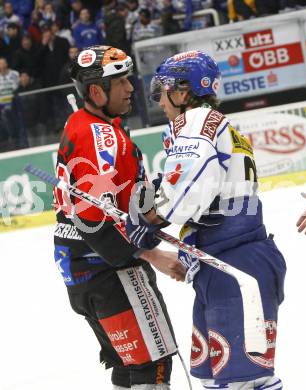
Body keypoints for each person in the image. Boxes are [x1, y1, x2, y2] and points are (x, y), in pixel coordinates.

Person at [125, 50, 286, 389]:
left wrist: (150, 218)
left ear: (183, 92)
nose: (160, 102)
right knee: (219, 379)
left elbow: (185, 195)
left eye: (164, 91)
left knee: (239, 382)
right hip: (226, 264)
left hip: (235, 270)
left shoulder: (195, 122)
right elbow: (207, 192)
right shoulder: (215, 124)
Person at [53, 45, 185, 390]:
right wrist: (150, 254)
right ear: (96, 91)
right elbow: (90, 217)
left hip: (84, 269)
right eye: (121, 81)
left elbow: (110, 200)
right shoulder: (98, 135)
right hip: (109, 271)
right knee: (151, 365)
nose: (130, 88)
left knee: (129, 367)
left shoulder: (86, 123)